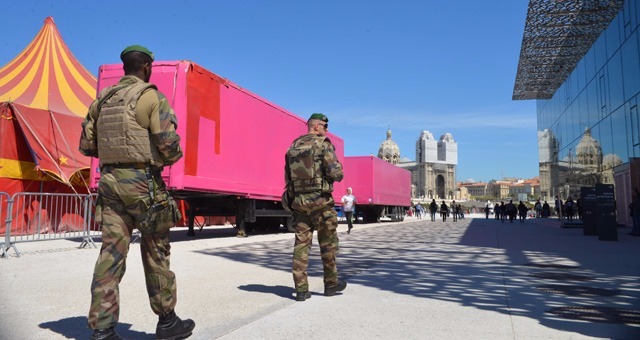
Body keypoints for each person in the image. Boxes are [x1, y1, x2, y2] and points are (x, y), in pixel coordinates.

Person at [79, 45, 195, 340]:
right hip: (144, 184)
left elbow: (87, 146)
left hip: (110, 183)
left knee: (111, 255)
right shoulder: (151, 96)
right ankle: (167, 322)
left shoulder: (101, 101)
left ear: (124, 67)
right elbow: (169, 148)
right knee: (156, 252)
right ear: (146, 67)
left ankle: (103, 328)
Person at [284, 113, 346, 302]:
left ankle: (301, 290)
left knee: (301, 246)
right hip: (321, 203)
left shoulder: (292, 147)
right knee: (328, 245)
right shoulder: (323, 144)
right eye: (325, 126)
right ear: (316, 126)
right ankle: (330, 284)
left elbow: (288, 179)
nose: (326, 130)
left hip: (300, 204)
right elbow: (337, 174)